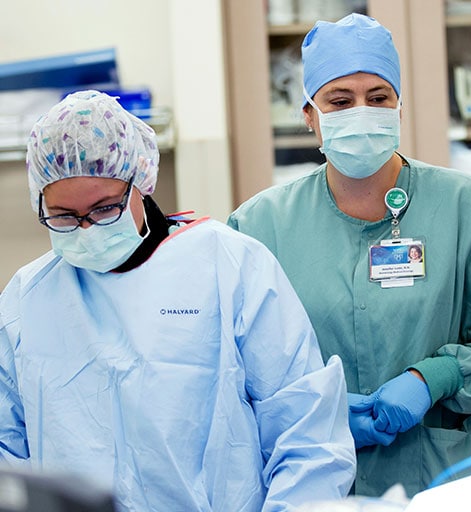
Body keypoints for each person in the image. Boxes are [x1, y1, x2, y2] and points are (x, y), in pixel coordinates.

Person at [0, 90, 357, 512]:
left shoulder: (229, 265)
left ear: (141, 181)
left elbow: (306, 435)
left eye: (103, 209)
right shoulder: (28, 298)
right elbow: (8, 448)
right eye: (62, 216)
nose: (86, 228)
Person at [228, 13, 471, 498]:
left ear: (399, 110)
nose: (362, 111)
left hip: (448, 483)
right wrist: (321, 413)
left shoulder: (465, 206)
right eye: (340, 101)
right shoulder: (259, 227)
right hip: (316, 486)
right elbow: (237, 384)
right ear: (310, 116)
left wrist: (436, 377)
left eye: (378, 98)